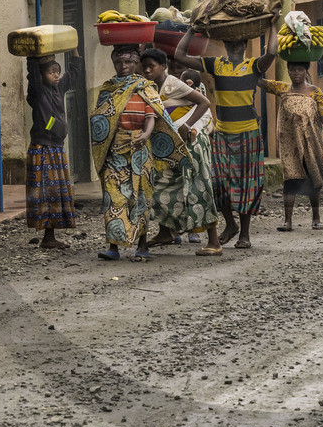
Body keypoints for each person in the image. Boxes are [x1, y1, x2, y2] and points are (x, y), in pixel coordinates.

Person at [173, 21, 280, 249]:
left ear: (244, 43)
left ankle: (245, 234)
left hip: (248, 133)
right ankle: (230, 224)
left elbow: (271, 52)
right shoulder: (216, 64)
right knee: (218, 183)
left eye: (238, 42)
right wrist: (191, 30)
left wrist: (273, 24)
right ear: (226, 44)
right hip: (222, 133)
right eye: (229, 42)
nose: (234, 46)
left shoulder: (254, 66)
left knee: (247, 184)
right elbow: (179, 55)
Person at [89, 44, 186, 262]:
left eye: (128, 62)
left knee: (140, 197)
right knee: (113, 197)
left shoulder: (145, 88)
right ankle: (113, 246)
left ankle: (142, 246)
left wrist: (145, 134)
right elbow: (100, 118)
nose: (123, 66)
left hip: (140, 149)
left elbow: (152, 116)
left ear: (136, 65)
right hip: (114, 150)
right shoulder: (108, 89)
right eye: (119, 62)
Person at [140, 48, 223, 255]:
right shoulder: (149, 88)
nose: (148, 70)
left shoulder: (173, 83)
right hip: (169, 146)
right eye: (145, 67)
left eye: (152, 66)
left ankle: (214, 242)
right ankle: (165, 232)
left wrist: (187, 124)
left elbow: (204, 102)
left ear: (163, 67)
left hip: (192, 143)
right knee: (161, 185)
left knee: (198, 187)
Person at [271, 62, 323, 231]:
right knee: (290, 181)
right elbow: (262, 82)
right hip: (290, 146)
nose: (296, 73)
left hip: (311, 143)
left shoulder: (315, 92)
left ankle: (316, 218)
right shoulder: (282, 89)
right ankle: (288, 221)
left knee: (313, 180)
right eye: (293, 69)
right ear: (288, 71)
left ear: (306, 71)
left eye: (300, 69)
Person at [24, 55, 76, 250]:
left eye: (57, 72)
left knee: (56, 192)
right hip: (43, 148)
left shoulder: (58, 89)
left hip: (57, 147)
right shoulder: (38, 92)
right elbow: (33, 77)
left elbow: (73, 76)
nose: (55, 75)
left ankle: (50, 236)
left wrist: (76, 55)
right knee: (47, 192)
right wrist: (33, 59)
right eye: (50, 72)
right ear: (42, 75)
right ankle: (48, 236)